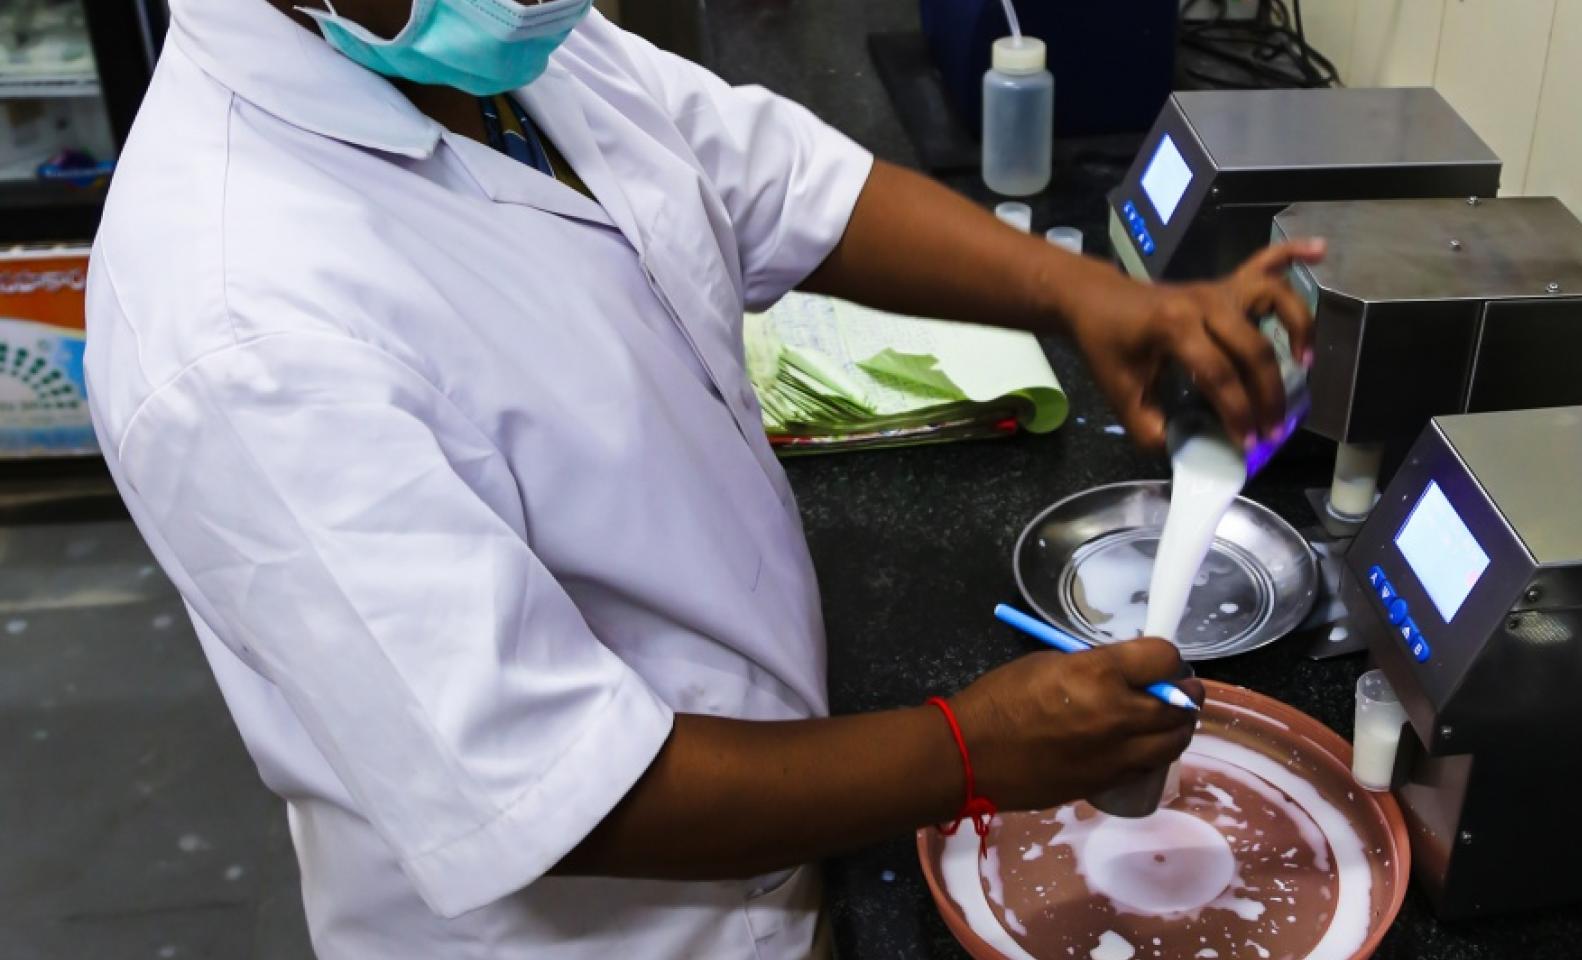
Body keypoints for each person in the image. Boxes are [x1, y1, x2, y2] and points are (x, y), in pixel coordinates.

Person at [83, 0, 1322, 956]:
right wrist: (971, 748)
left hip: (770, 817)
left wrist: (1084, 296)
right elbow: (566, 791)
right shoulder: (241, 323)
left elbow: (767, 174)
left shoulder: (477, 53)